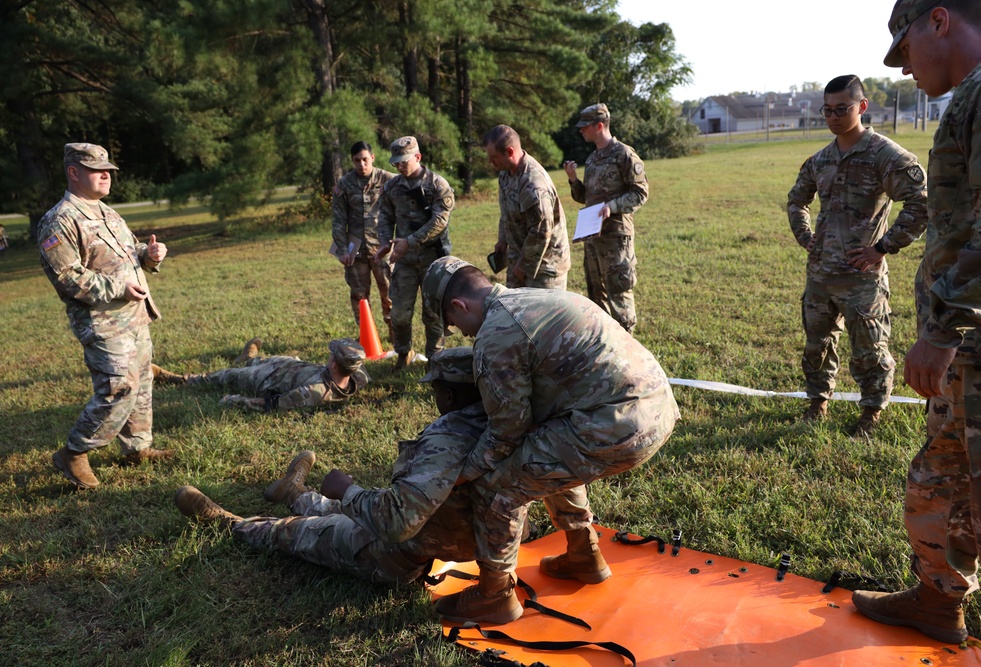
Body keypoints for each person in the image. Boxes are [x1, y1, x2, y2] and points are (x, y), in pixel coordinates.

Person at [851, 0, 981, 645]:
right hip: (971, 353)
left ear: (939, 20)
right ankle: (939, 600)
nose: (903, 65)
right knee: (940, 479)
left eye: (903, 45)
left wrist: (944, 331)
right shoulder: (977, 94)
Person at [423, 256, 679, 624]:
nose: (462, 333)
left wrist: (461, 473)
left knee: (499, 486)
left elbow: (506, 432)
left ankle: (494, 596)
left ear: (459, 305)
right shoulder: (533, 297)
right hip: (656, 408)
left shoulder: (497, 333)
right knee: (543, 451)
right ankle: (583, 554)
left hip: (618, 424)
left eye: (454, 323)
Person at [173, 347, 496, 585]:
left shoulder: (449, 439)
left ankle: (232, 523)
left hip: (392, 552)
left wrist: (348, 490)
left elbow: (397, 522)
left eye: (436, 389)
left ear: (449, 395)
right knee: (341, 508)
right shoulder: (502, 430)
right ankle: (294, 492)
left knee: (290, 531)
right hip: (435, 536)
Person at [787, 75, 928, 437]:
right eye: (827, 111)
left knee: (869, 349)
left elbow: (921, 201)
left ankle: (871, 412)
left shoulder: (885, 155)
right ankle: (818, 401)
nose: (833, 117)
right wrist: (807, 238)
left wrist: (882, 247)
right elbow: (797, 200)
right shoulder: (820, 160)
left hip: (862, 276)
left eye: (842, 109)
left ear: (862, 107)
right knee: (817, 345)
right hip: (820, 275)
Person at [38, 143, 172, 490]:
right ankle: (74, 452)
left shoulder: (106, 213)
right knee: (118, 388)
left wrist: (150, 255)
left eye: (108, 170)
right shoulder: (59, 221)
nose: (106, 175)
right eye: (98, 169)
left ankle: (137, 448)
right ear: (73, 172)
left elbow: (130, 255)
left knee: (141, 382)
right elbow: (67, 276)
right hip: (102, 322)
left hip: (134, 316)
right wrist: (119, 287)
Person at [563, 104, 648, 333]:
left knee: (618, 293)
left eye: (585, 126)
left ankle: (628, 346)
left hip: (616, 237)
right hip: (593, 237)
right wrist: (573, 180)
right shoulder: (592, 159)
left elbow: (640, 193)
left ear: (599, 126)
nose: (581, 131)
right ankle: (603, 343)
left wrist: (613, 206)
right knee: (596, 294)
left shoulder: (624, 154)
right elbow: (586, 198)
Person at [376, 136, 455, 370]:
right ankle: (404, 352)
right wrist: (384, 241)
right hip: (405, 261)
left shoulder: (437, 185)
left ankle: (435, 359)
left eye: (404, 161)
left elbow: (440, 220)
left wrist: (409, 241)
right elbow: (385, 217)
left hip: (434, 258)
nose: (399, 166)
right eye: (396, 163)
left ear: (418, 157)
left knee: (432, 314)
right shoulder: (391, 187)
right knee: (399, 314)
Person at [153, 338, 368, 413]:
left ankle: (176, 378)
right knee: (278, 359)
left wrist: (237, 401)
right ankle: (250, 357)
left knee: (227, 376)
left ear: (334, 363)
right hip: (288, 365)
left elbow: (272, 404)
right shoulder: (358, 377)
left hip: (267, 378)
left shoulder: (312, 392)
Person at [482, 125, 570, 290]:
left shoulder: (534, 186)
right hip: (520, 258)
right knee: (515, 312)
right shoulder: (505, 173)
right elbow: (506, 211)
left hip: (544, 269)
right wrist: (503, 239)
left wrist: (522, 268)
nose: (490, 162)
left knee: (542, 315)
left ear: (509, 152)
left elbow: (541, 233)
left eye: (494, 157)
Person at [331, 141, 393, 340]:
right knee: (359, 296)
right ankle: (366, 336)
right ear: (352, 161)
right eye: (357, 160)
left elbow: (403, 209)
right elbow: (339, 219)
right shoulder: (344, 184)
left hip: (382, 248)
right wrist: (341, 249)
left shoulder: (388, 180)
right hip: (355, 251)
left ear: (372, 158)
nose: (362, 164)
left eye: (365, 159)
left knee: (390, 293)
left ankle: (396, 333)